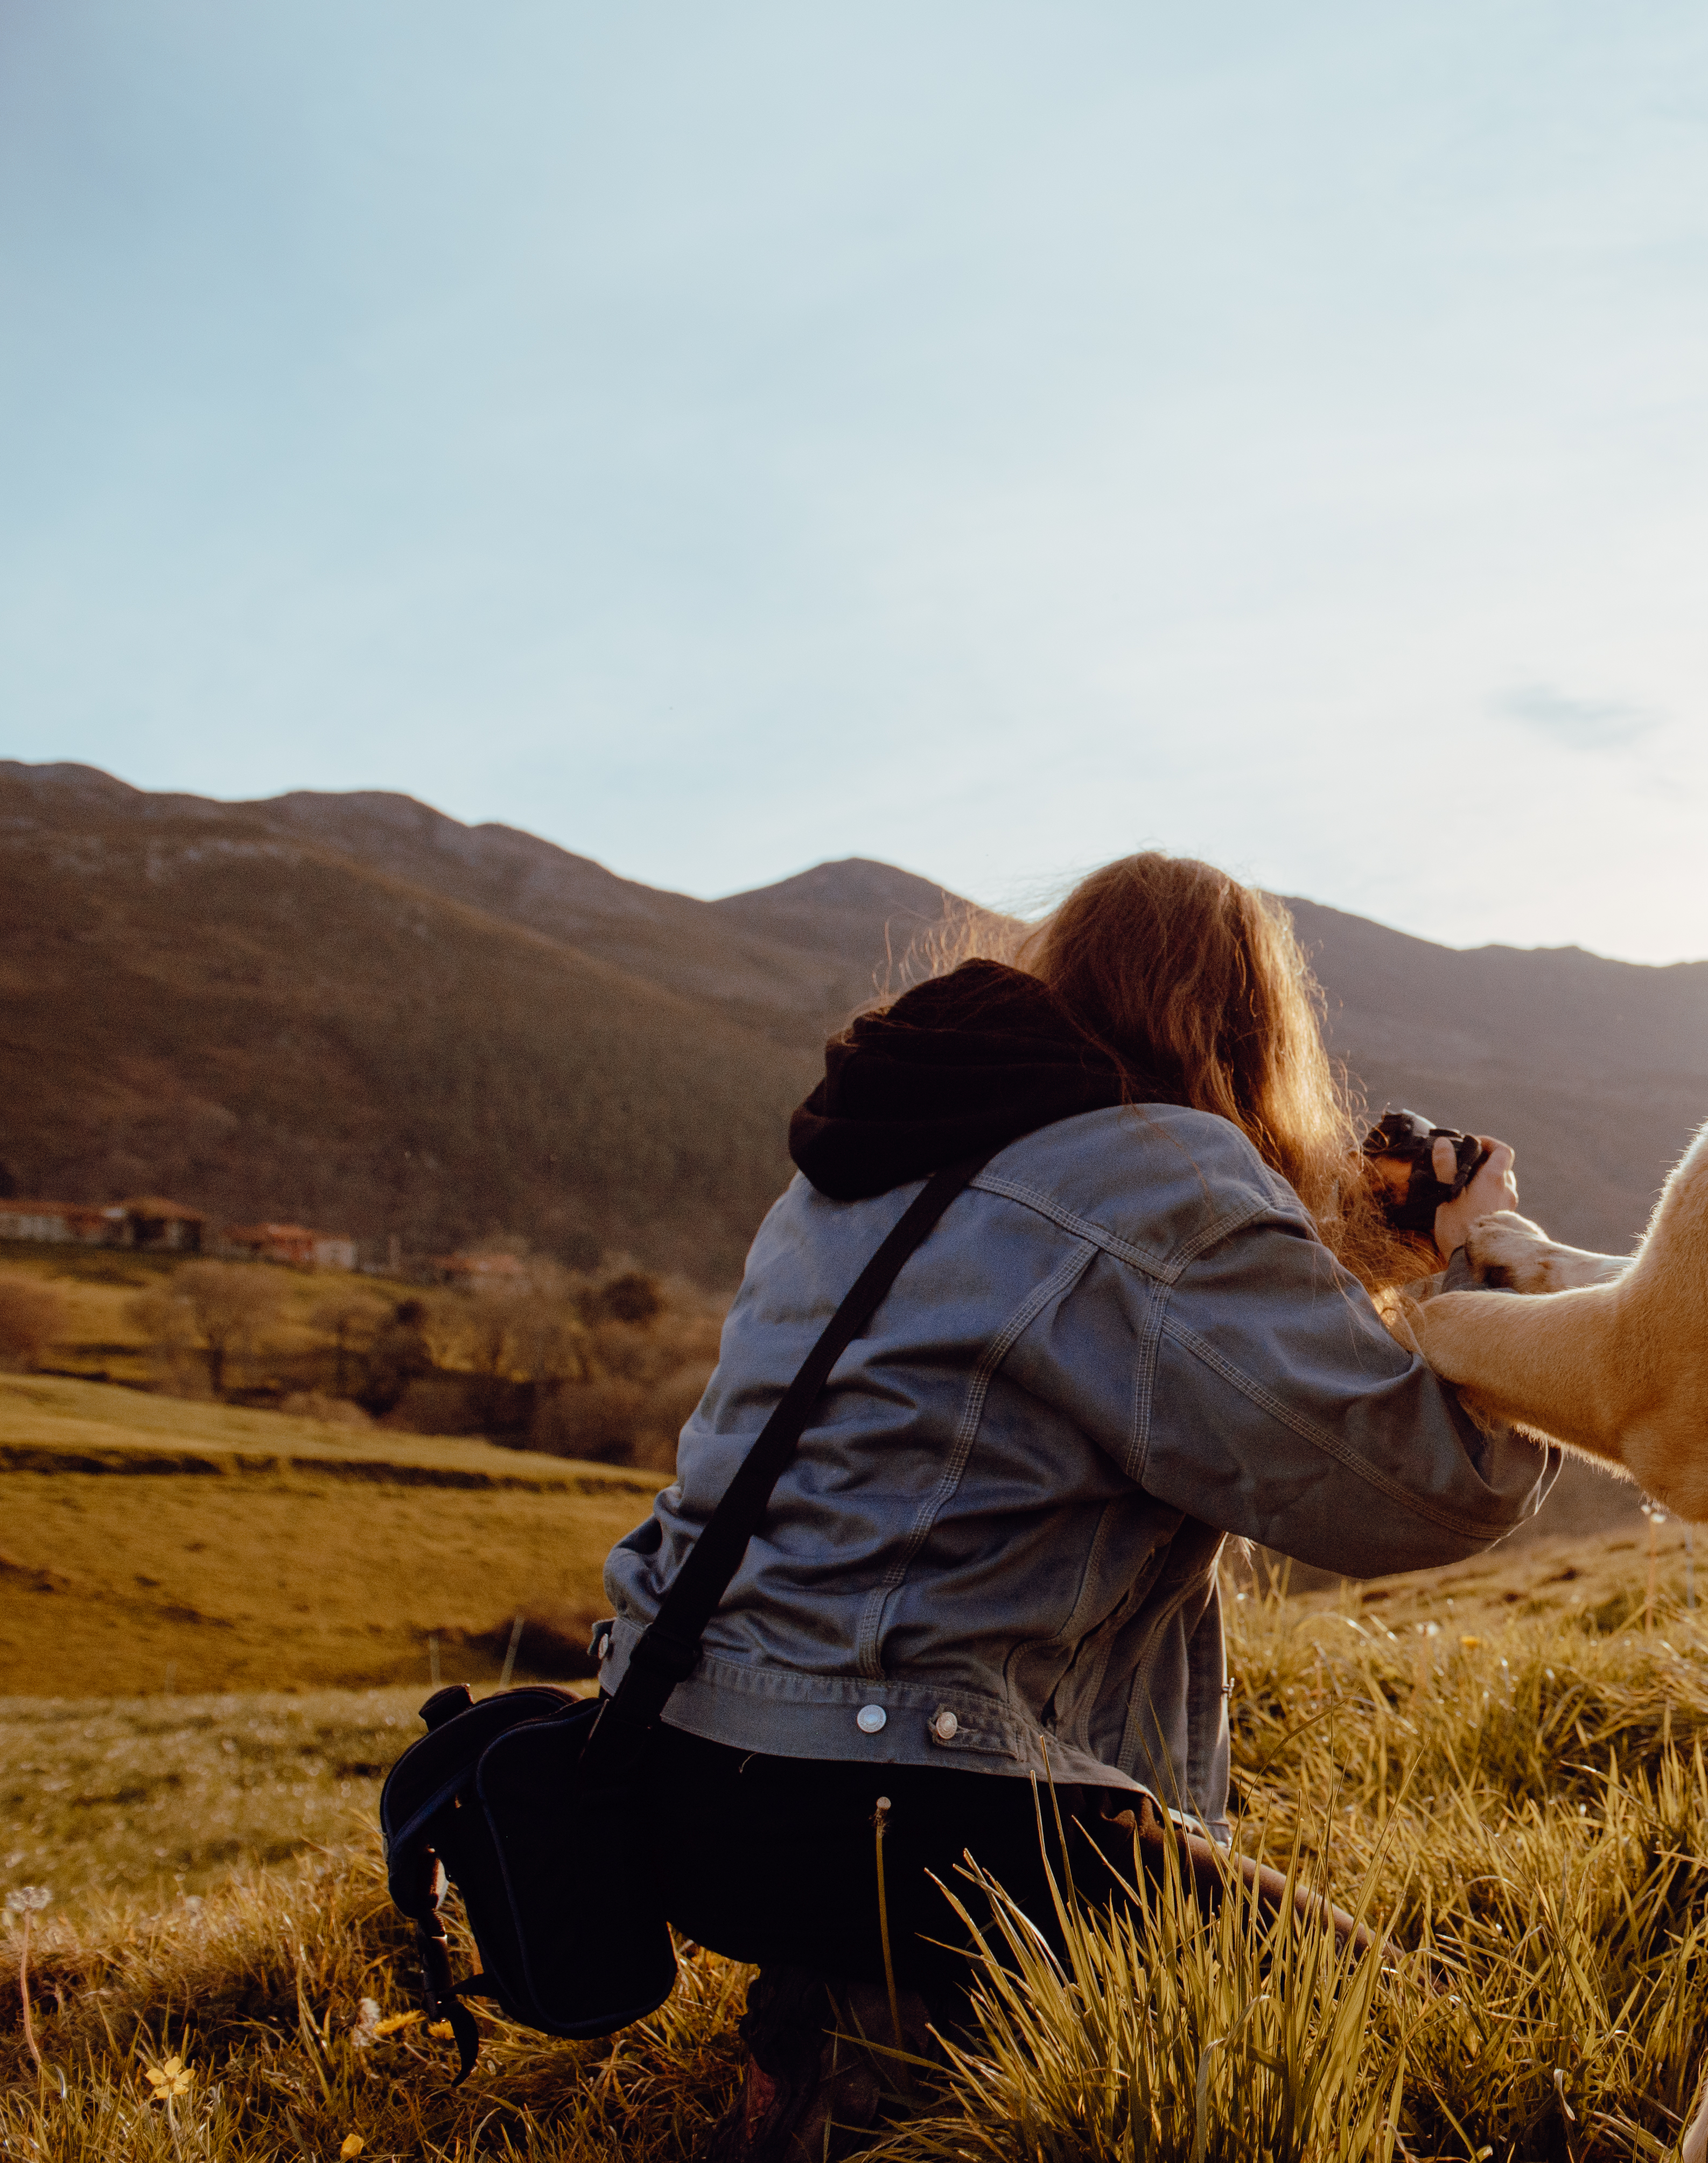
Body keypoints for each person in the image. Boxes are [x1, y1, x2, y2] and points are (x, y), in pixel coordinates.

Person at [592, 852, 1549, 2161]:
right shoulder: (1158, 1171)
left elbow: (1090, 1304)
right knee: (1421, 2047)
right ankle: (891, 2051)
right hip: (890, 1801)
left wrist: (1355, 1252)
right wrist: (1488, 1257)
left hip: (677, 1771)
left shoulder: (868, 1158)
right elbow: (1434, 1490)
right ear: (1246, 1030)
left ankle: (850, 2033)